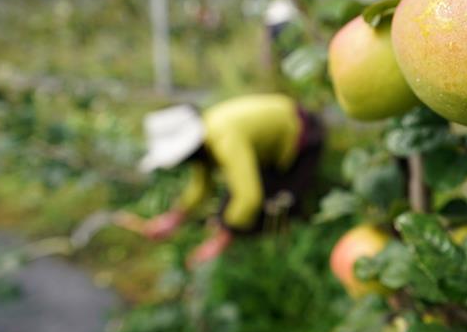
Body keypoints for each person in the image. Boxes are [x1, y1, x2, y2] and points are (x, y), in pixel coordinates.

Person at [116, 94, 324, 266]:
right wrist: (175, 217)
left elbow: (249, 196)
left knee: (279, 208)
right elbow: (201, 186)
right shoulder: (207, 138)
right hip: (267, 148)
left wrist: (220, 241)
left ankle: (291, 260)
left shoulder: (225, 139)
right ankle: (258, 255)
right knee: (231, 213)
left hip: (300, 137)